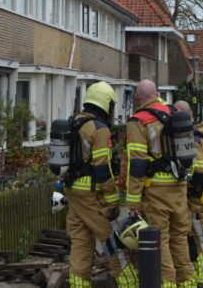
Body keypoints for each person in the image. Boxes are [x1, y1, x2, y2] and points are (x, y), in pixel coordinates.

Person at [65, 81, 137, 287]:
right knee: (112, 241)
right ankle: (129, 284)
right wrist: (113, 201)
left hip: (73, 192)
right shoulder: (99, 128)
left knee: (80, 244)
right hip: (92, 195)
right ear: (106, 104)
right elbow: (102, 168)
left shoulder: (73, 123)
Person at [125, 80, 195, 288]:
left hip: (156, 189)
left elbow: (137, 163)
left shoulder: (139, 121)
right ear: (157, 93)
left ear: (137, 97)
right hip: (179, 186)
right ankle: (187, 282)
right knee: (180, 237)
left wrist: (133, 200)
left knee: (160, 239)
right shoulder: (176, 114)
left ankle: (167, 283)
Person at [176, 100, 203, 287]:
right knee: (200, 236)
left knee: (201, 238)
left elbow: (199, 171)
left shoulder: (192, 137)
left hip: (200, 197)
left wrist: (182, 181)